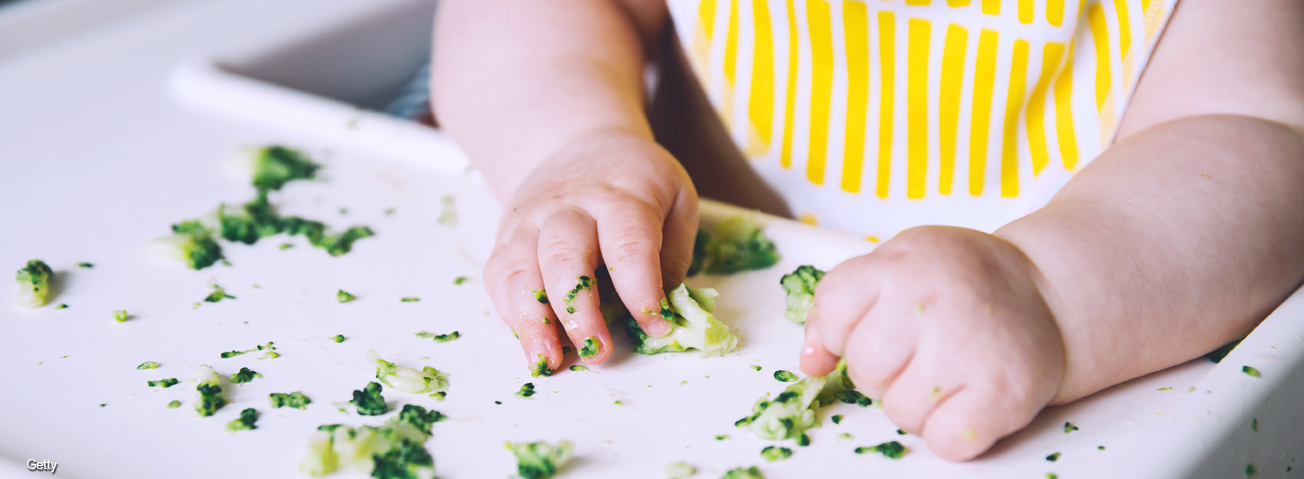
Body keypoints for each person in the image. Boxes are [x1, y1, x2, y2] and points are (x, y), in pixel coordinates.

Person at [427, 0, 1304, 461]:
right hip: (689, 349)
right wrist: (574, 144)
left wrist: (1053, 287)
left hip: (1046, 388)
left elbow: (1264, 144)